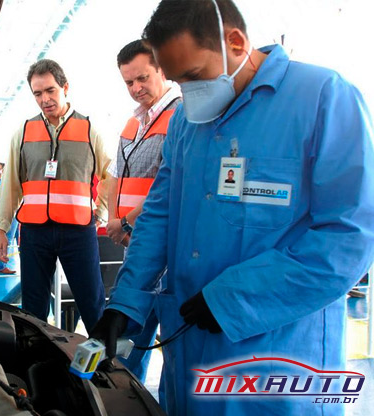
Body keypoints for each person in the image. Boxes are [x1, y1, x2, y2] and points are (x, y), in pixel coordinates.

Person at [89, 1, 374, 415]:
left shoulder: (324, 99)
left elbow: (350, 237)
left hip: (276, 358)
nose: (187, 93)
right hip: (191, 352)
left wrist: (235, 299)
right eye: (177, 81)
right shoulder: (187, 121)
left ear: (236, 42)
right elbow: (159, 215)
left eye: (193, 76)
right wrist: (126, 302)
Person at [0, 59, 110, 331]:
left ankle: (103, 368)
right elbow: (11, 183)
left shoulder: (90, 130)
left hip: (78, 232)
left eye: (50, 91)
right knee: (33, 308)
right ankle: (36, 365)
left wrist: (100, 213)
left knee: (92, 304)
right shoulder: (23, 132)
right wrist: (1, 228)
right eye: (37, 93)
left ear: (65, 88)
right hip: (34, 233)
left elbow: (109, 176)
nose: (44, 99)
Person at [104, 39, 181, 382]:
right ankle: (124, 391)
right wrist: (113, 220)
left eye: (143, 78)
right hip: (133, 242)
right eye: (128, 83)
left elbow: (169, 188)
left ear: (162, 70)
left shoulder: (182, 117)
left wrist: (125, 222)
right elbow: (115, 177)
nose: (136, 88)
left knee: (159, 328)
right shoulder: (131, 124)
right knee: (133, 329)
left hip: (163, 244)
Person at [0, 163, 18, 275]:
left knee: (18, 240)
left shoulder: (8, 181)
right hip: (8, 214)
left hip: (17, 213)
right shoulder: (0, 182)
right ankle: (0, 266)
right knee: (6, 239)